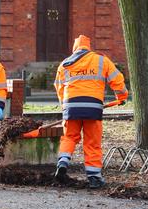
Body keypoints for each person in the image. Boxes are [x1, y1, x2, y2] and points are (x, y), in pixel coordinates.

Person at [54, 35, 128, 189]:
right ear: (88, 47)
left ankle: (62, 162)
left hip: (71, 106)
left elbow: (59, 87)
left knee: (69, 137)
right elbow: (117, 79)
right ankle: (94, 177)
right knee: (92, 142)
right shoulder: (101, 60)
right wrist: (122, 96)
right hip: (93, 106)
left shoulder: (64, 64)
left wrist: (64, 106)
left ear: (75, 48)